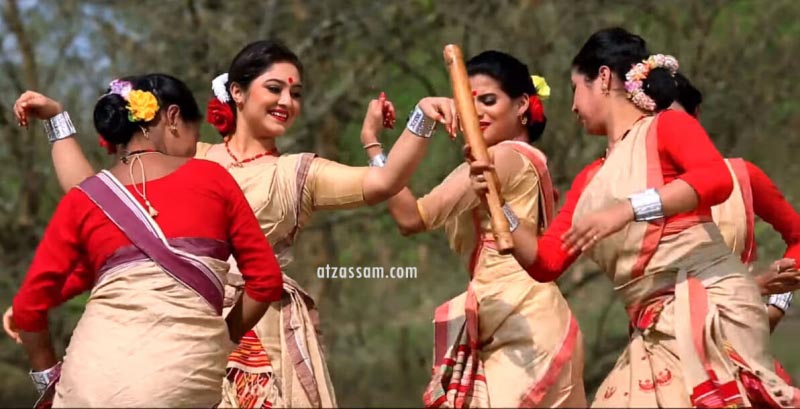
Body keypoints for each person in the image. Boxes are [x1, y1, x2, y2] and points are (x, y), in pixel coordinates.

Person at [9, 39, 458, 408]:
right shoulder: (193, 157)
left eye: (296, 93)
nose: (287, 101)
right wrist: (59, 121)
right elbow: (94, 197)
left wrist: (413, 121)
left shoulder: (297, 174)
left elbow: (384, 182)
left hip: (260, 335)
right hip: (173, 327)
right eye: (275, 88)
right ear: (237, 93)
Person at [469, 27, 799, 407]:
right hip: (650, 334)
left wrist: (626, 210)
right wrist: (499, 205)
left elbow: (715, 180)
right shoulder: (590, 181)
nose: (573, 106)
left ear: (604, 78)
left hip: (709, 314)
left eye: (576, 88)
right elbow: (547, 261)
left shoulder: (667, 126)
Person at [10, 74, 283, 407]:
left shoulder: (88, 198)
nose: (194, 149)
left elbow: (27, 309)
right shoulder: (211, 178)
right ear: (171, 118)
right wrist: (221, 339)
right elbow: (266, 281)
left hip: (88, 384)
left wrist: (49, 381)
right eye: (194, 135)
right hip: (180, 380)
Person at [375, 51, 585, 408]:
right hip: (518, 320)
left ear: (522, 105)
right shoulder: (513, 160)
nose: (479, 113)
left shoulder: (501, 158)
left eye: (489, 101)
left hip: (523, 323)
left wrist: (412, 124)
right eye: (470, 105)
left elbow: (413, 217)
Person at [672, 73, 800, 333]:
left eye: (673, 121)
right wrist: (757, 286)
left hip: (737, 338)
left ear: (694, 116)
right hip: (660, 349)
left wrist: (776, 306)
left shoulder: (741, 177)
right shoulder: (632, 194)